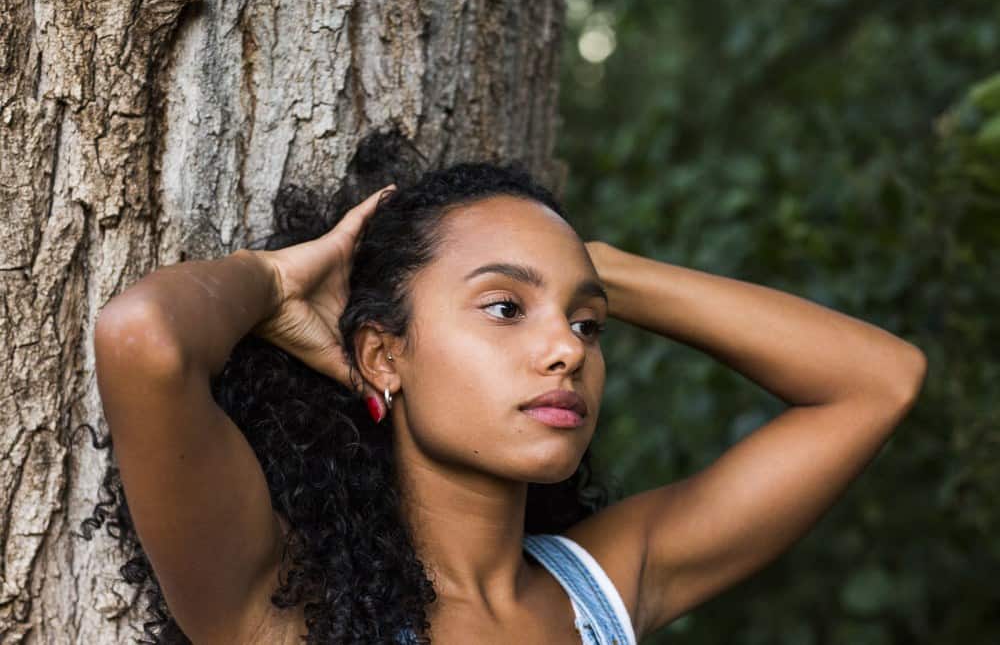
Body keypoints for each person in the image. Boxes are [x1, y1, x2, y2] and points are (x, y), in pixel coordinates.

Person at [83, 158, 926, 644]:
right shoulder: (283, 609)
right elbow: (144, 341)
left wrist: (591, 266)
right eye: (504, 307)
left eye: (588, 325)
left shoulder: (599, 591)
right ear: (383, 354)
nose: (566, 348)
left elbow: (877, 380)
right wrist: (271, 279)